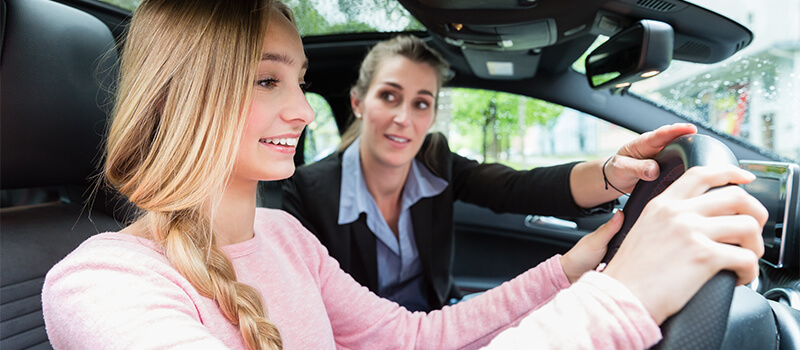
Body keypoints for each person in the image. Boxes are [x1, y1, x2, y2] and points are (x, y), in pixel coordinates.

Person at [42, 0, 766, 349]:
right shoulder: (100, 285)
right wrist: (618, 302)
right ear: (187, 94)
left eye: (299, 81)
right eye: (267, 80)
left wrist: (576, 267)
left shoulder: (285, 238)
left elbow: (418, 337)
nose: (300, 110)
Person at [278, 35, 714, 311]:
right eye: (389, 96)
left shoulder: (435, 159)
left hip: (436, 322)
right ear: (358, 102)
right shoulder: (308, 192)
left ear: (432, 114)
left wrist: (610, 173)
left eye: (421, 103)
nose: (403, 118)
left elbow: (518, 188)